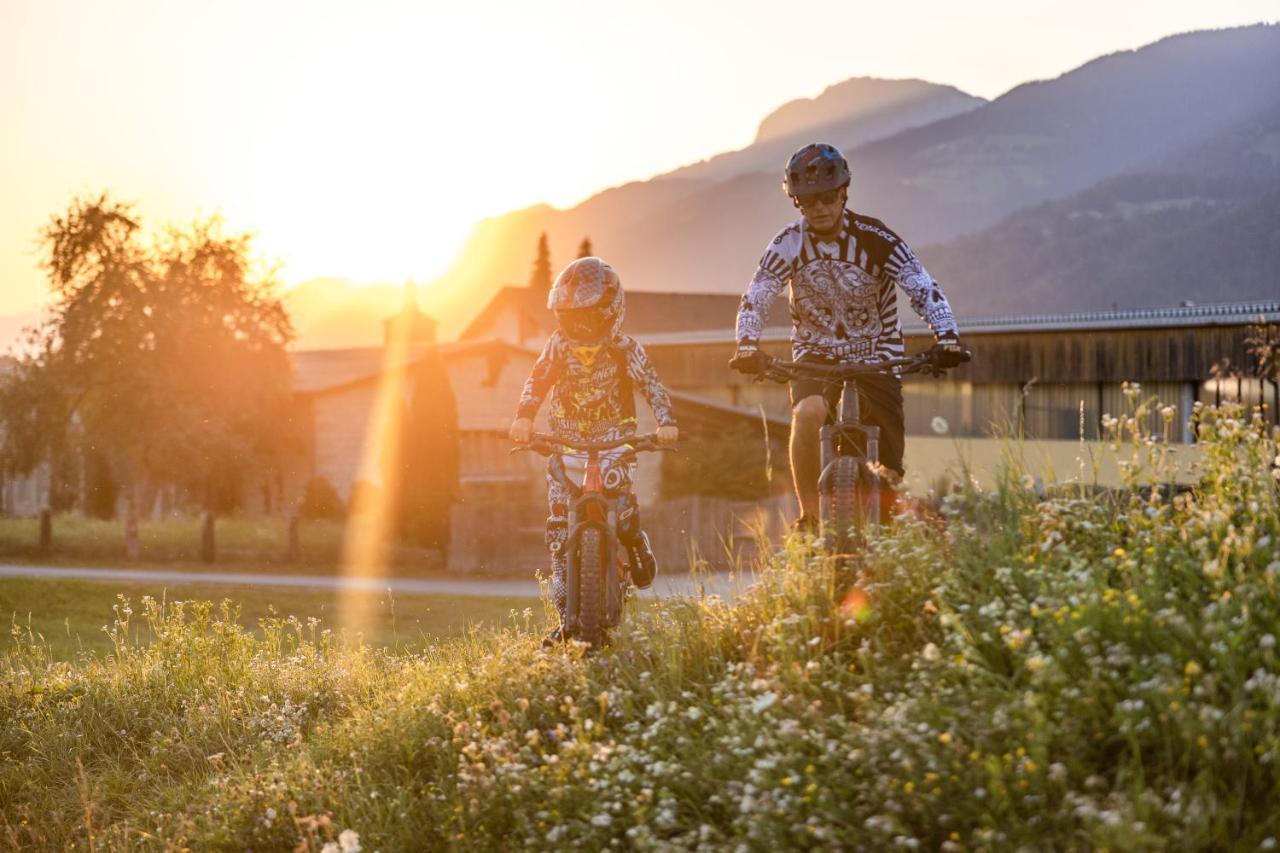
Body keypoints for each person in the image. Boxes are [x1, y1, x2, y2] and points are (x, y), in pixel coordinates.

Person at [729, 143, 966, 529]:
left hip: (877, 354)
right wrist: (747, 343)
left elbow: (921, 285)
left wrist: (947, 336)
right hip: (815, 353)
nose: (819, 208)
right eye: (807, 201)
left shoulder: (877, 238)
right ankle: (809, 516)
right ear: (796, 203)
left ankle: (884, 531)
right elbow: (758, 293)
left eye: (826, 197)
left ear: (843, 193)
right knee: (807, 413)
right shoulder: (787, 243)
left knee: (889, 467)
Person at [509, 256, 679, 644]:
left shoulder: (625, 348)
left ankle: (633, 539)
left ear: (609, 312)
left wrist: (666, 423)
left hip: (616, 442)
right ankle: (567, 619)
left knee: (621, 510)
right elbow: (536, 381)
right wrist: (524, 416)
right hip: (565, 443)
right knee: (557, 530)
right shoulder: (557, 346)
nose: (579, 326)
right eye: (570, 317)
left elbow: (651, 384)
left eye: (586, 317)